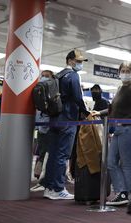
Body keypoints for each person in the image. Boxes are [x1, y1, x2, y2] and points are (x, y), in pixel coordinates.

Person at [40, 49, 90, 200]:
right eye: (78, 61)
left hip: (55, 119)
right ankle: (58, 188)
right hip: (68, 119)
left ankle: (48, 187)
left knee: (53, 154)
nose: (80, 64)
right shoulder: (73, 75)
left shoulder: (59, 75)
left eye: (81, 61)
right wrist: (86, 112)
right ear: (70, 60)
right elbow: (77, 97)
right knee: (63, 155)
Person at [94, 62, 131, 206]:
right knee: (110, 162)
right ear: (119, 72)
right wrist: (100, 112)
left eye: (128, 71)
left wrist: (123, 121)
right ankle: (122, 192)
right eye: (123, 70)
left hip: (128, 129)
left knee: (126, 164)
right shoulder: (121, 88)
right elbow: (113, 109)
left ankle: (128, 195)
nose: (125, 73)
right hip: (119, 130)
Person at [30, 70, 54, 192]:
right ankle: (40, 178)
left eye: (47, 76)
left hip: (49, 129)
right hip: (40, 129)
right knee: (41, 153)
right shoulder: (39, 92)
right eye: (42, 76)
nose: (44, 78)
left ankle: (44, 181)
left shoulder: (52, 93)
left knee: (47, 154)